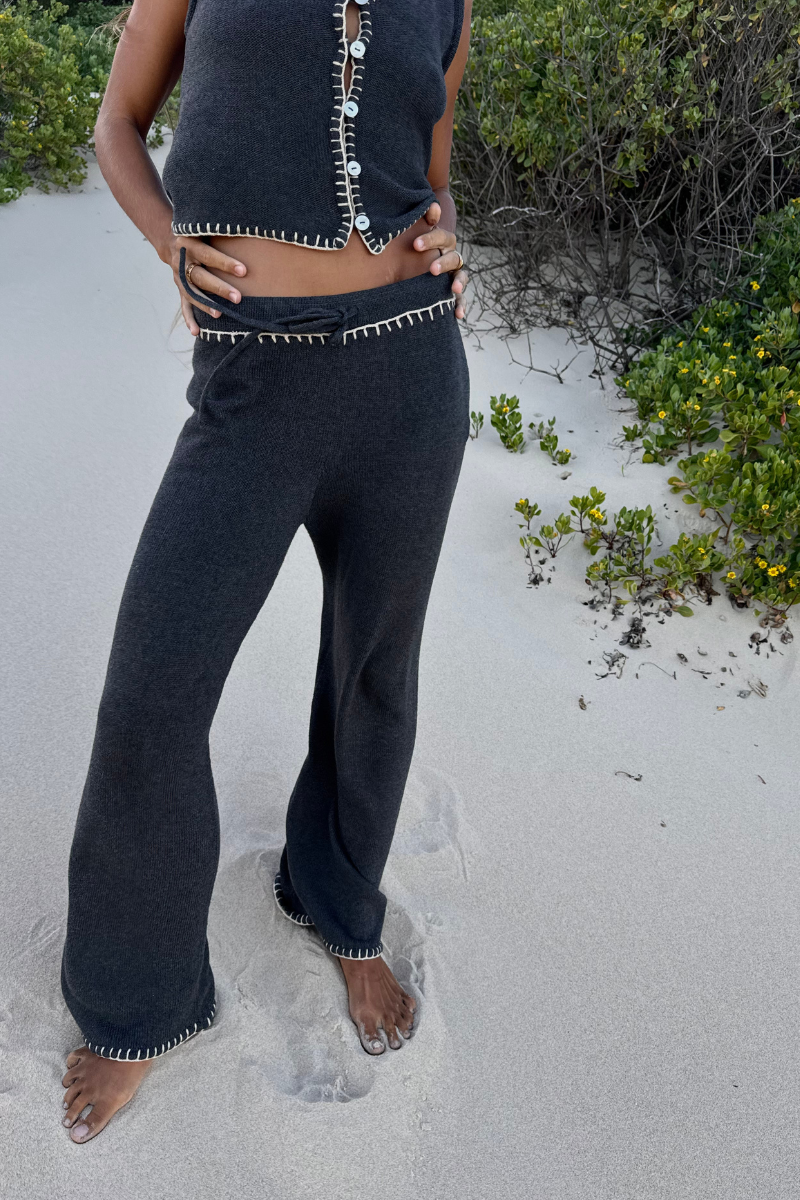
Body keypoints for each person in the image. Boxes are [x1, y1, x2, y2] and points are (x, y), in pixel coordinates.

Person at [59, 0, 472, 1144]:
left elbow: (431, 177)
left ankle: (337, 905)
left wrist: (449, 235)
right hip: (252, 380)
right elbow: (116, 123)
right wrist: (167, 241)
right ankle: (140, 1000)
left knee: (372, 668)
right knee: (151, 698)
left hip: (411, 369)